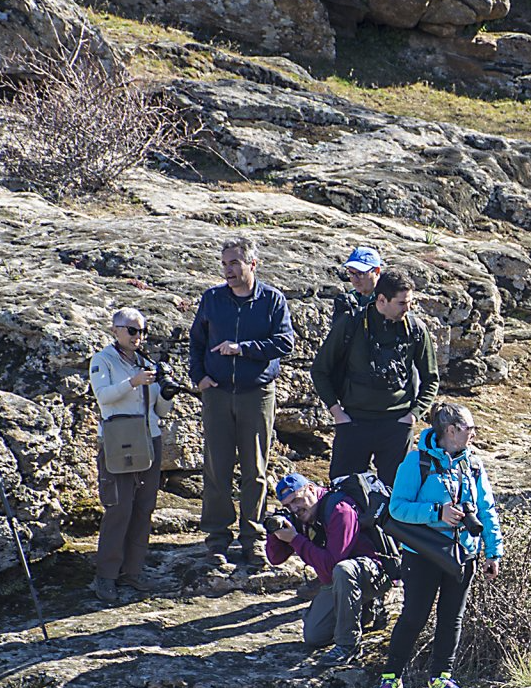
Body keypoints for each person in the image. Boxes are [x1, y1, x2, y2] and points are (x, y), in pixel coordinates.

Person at [375, 402, 502, 688]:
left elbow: (487, 509)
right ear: (450, 430)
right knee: (414, 616)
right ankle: (391, 678)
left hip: (463, 554)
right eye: (469, 428)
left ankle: (441, 678)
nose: (473, 433)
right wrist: (437, 512)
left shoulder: (473, 463)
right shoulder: (415, 463)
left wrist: (493, 552)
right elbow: (397, 508)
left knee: (451, 617)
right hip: (422, 554)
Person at [189, 236, 296, 569]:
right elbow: (196, 342)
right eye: (224, 263)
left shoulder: (272, 300)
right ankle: (217, 541)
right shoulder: (212, 299)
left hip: (256, 394)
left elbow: (285, 343)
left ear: (252, 264)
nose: (228, 270)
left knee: (256, 470)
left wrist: (243, 348)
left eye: (234, 263)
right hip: (217, 394)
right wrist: (199, 378)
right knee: (217, 469)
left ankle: (253, 538)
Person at [312, 271, 440, 488]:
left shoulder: (416, 329)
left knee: (397, 494)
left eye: (409, 302)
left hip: (397, 426)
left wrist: (413, 416)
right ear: (382, 300)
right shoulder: (351, 324)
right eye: (401, 303)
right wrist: (337, 413)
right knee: (344, 492)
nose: (407, 309)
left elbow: (431, 378)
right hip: (353, 422)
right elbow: (320, 370)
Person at [88, 307, 172, 604]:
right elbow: (104, 397)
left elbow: (159, 411)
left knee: (144, 506)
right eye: (132, 330)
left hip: (149, 437)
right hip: (119, 439)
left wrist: (166, 393)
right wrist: (133, 382)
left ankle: (132, 572)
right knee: (119, 507)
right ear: (116, 330)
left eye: (142, 331)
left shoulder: (145, 362)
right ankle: (106, 576)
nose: (139, 336)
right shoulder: (103, 360)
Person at [263, 473, 386, 665]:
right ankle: (366, 611)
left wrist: (296, 539)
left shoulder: (339, 509)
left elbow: (331, 566)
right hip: (339, 581)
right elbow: (275, 558)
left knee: (343, 570)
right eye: (288, 505)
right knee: (314, 635)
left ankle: (348, 644)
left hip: (374, 573)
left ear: (311, 489)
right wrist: (275, 531)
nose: (295, 508)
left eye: (296, 499)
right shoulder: (301, 516)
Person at [332, 246, 382, 323]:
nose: (355, 280)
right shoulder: (350, 298)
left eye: (361, 273)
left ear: (377, 271)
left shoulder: (389, 299)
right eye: (351, 273)